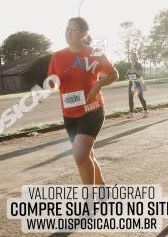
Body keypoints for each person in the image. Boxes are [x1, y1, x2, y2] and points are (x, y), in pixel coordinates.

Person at [47, 17, 119, 184]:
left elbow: (114, 74)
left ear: (85, 33)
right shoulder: (56, 57)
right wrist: (51, 83)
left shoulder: (95, 53)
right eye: (67, 29)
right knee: (87, 155)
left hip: (92, 110)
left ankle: (90, 199)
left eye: (74, 29)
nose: (69, 33)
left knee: (80, 155)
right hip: (69, 114)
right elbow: (52, 81)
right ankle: (101, 189)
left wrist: (99, 84)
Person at [127, 51, 148, 118]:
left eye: (133, 57)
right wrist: (128, 73)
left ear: (136, 57)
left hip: (137, 82)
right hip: (131, 82)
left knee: (140, 97)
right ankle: (131, 113)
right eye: (131, 57)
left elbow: (141, 74)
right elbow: (127, 74)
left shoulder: (138, 65)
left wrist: (135, 71)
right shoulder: (128, 65)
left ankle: (145, 111)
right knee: (130, 98)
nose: (131, 58)